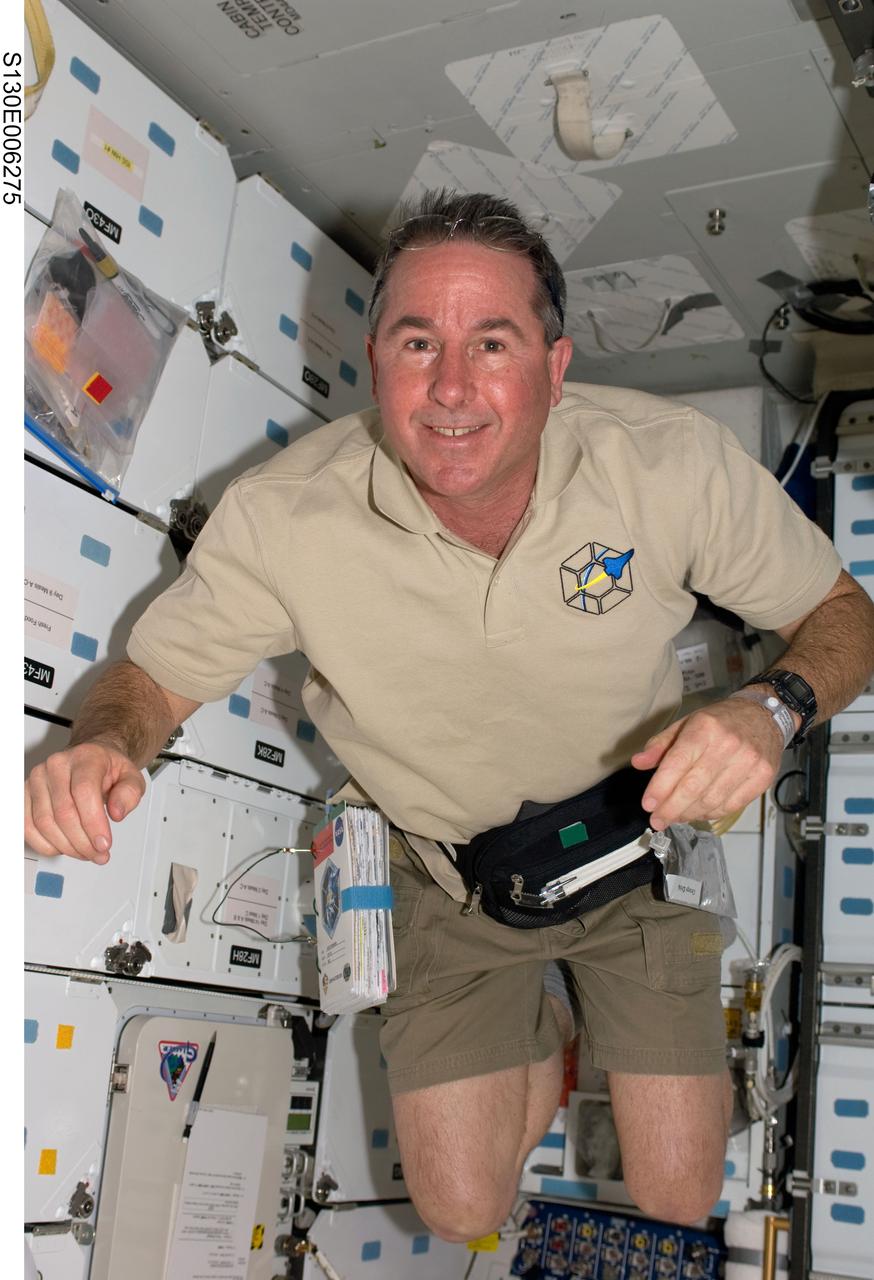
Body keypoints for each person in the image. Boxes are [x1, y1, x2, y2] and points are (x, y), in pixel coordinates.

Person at [25, 190, 874, 1242]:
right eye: (419, 341)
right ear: (375, 356)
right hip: (445, 873)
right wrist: (104, 738)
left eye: (495, 342)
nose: (453, 387)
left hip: (637, 840)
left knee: (673, 1193)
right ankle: (542, 1007)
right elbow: (147, 680)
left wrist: (772, 706)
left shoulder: (670, 464)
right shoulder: (282, 515)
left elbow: (841, 615)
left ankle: (557, 999)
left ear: (556, 367)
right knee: (462, 1207)